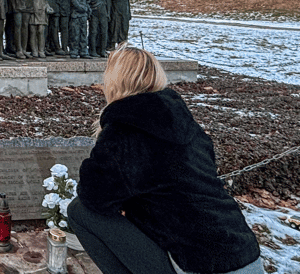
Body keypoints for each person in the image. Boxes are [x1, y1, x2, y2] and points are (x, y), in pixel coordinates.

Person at [68, 45, 263, 274]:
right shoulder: (184, 122)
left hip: (198, 265)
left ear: (114, 80)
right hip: (245, 253)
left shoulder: (124, 130)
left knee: (79, 211)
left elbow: (93, 196)